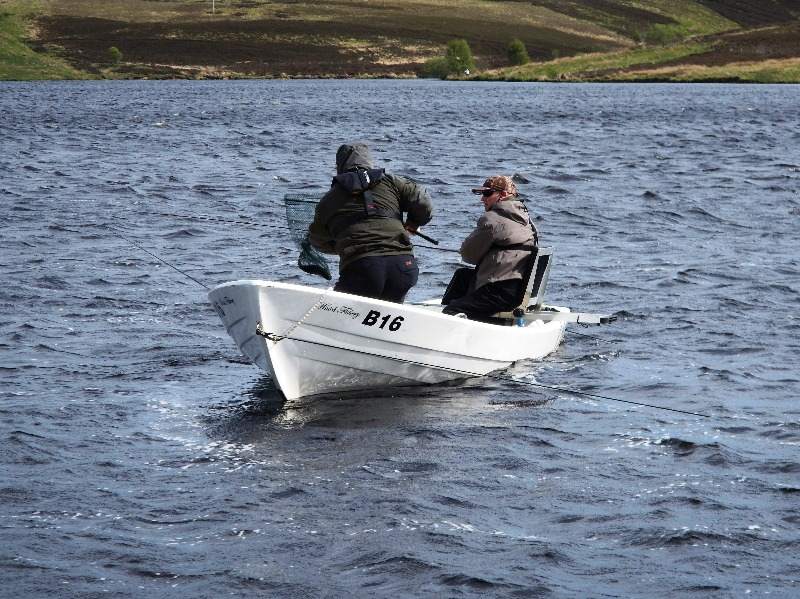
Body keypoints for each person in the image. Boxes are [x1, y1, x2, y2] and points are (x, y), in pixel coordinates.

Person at [308, 142, 433, 303]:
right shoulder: (392, 181)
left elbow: (318, 240)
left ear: (340, 165)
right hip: (404, 267)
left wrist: (343, 245)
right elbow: (423, 201)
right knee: (387, 309)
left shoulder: (328, 199)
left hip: (362, 269)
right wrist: (414, 222)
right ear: (368, 161)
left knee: (340, 311)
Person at [442, 175, 537, 320]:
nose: (482, 199)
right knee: (462, 276)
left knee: (451, 310)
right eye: (482, 194)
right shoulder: (526, 219)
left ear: (503, 195)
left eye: (487, 194)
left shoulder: (492, 219)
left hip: (497, 292)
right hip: (517, 289)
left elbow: (468, 256)